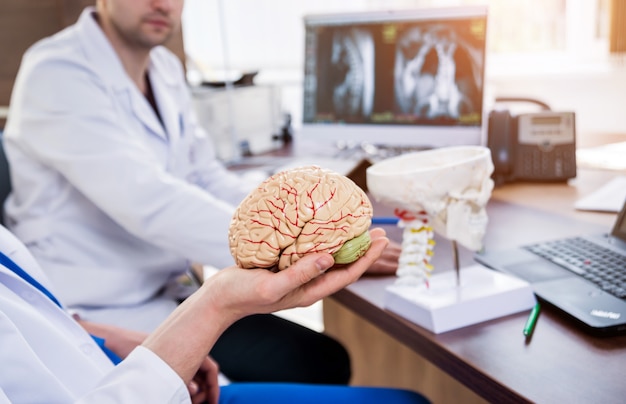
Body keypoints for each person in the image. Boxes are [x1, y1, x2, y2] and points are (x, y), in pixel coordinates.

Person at [2, 0, 401, 384]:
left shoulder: (163, 68)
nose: (163, 4)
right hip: (99, 305)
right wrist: (306, 249)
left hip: (166, 290)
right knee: (310, 365)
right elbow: (149, 201)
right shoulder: (56, 71)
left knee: (320, 358)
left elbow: (204, 174)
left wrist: (292, 218)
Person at [0, 223, 429, 403]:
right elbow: (154, 201)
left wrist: (97, 335)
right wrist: (217, 303)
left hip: (113, 361)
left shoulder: (165, 71)